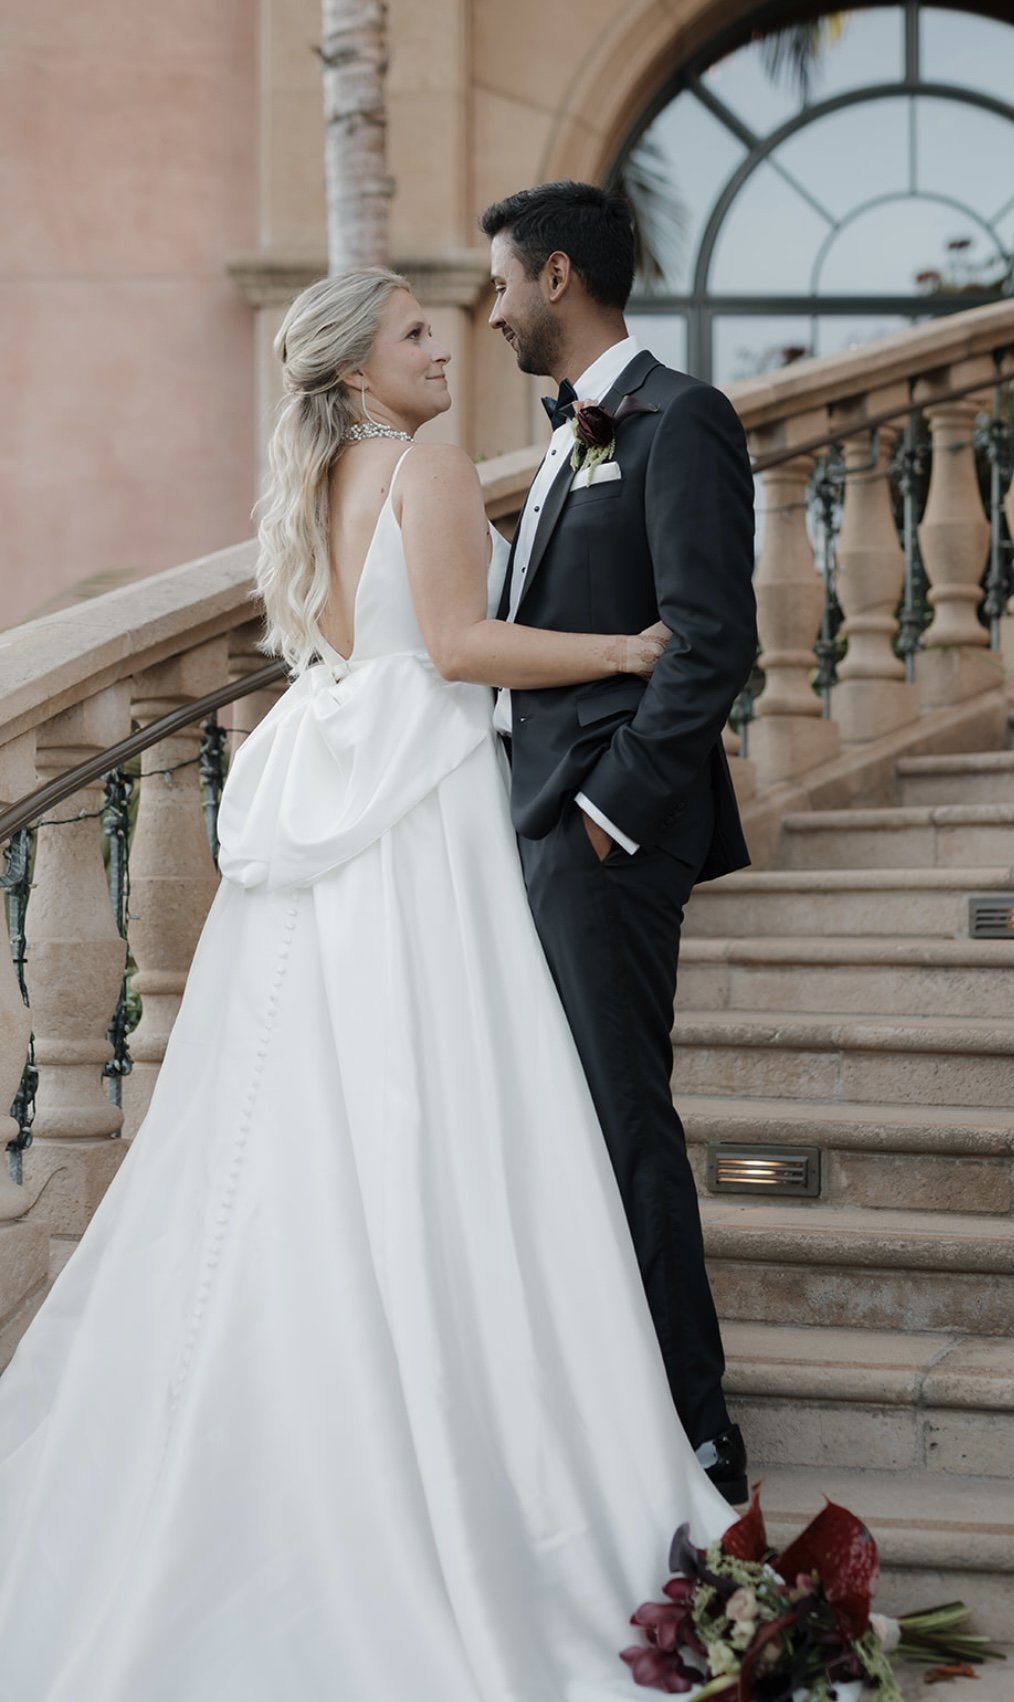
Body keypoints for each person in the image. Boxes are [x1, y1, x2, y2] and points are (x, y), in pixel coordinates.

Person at [0, 267, 733, 1702]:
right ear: (354, 373)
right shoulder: (429, 462)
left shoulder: (319, 477)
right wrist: (627, 648)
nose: (440, 346)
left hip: (339, 777)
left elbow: (371, 643)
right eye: (410, 334)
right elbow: (458, 649)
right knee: (455, 1094)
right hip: (428, 800)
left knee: (315, 1112)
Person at [480, 181, 758, 1501]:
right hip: (530, 824)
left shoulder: (680, 419)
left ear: (554, 276)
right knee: (569, 1120)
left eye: (498, 285)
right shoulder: (561, 441)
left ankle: (696, 1426)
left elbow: (710, 640)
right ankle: (606, 1400)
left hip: (603, 833)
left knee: (624, 1115)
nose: (490, 312)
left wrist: (609, 814)